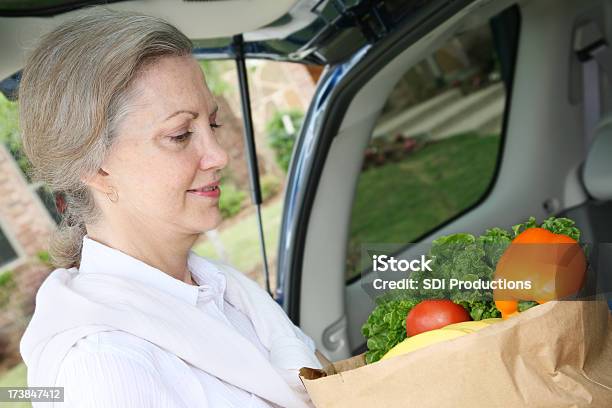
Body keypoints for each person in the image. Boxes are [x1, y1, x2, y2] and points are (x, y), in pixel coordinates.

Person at [18, 7, 324, 408]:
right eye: (180, 135)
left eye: (211, 125)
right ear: (95, 167)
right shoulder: (104, 366)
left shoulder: (222, 291)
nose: (217, 155)